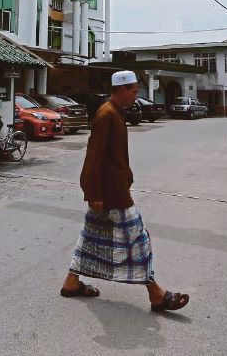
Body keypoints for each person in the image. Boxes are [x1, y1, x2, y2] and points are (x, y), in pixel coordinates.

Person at [60, 70, 190, 312]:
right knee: (138, 240)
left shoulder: (115, 113)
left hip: (112, 190)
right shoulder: (106, 114)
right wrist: (93, 193)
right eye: (133, 91)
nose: (135, 96)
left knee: (90, 239)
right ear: (121, 90)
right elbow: (93, 157)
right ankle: (156, 294)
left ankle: (71, 281)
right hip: (111, 194)